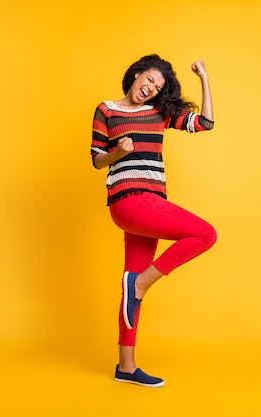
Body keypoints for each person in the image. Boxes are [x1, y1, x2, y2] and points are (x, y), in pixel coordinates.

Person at [90, 54, 216, 387]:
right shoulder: (106, 110)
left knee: (132, 286)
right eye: (148, 80)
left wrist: (203, 77)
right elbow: (97, 160)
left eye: (157, 87)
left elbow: (204, 123)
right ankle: (143, 282)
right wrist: (119, 152)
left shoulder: (160, 113)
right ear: (135, 74)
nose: (150, 88)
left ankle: (126, 367)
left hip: (152, 203)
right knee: (205, 234)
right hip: (129, 201)